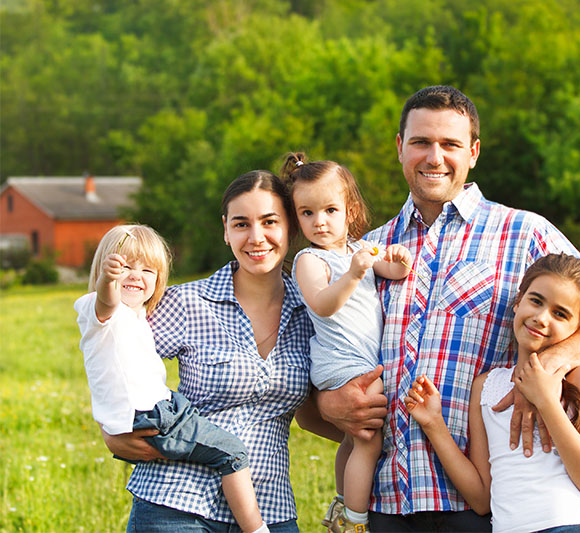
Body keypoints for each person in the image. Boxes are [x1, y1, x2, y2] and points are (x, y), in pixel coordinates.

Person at [316, 85, 580, 531]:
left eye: (450, 144)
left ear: (474, 152)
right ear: (400, 148)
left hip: (482, 501)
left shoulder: (523, 232)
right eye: (421, 142)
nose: (434, 157)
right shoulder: (367, 252)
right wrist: (329, 403)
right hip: (388, 497)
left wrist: (543, 374)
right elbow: (329, 349)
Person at [100, 171, 340, 532]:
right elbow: (115, 357)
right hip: (176, 504)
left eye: (269, 222)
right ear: (226, 230)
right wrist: (111, 428)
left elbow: (312, 412)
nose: (256, 237)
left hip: (268, 509)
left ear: (290, 226)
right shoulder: (186, 302)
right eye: (241, 224)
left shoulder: (312, 313)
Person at [75, 224, 268, 533]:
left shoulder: (138, 316)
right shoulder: (100, 312)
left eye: (147, 270)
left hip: (163, 407)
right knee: (232, 452)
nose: (136, 274)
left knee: (218, 443)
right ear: (104, 270)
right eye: (125, 266)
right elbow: (105, 303)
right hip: (150, 415)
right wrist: (108, 280)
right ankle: (257, 529)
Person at [404, 253, 580, 532]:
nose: (541, 318)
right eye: (536, 301)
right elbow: (481, 499)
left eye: (560, 313)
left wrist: (545, 400)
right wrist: (434, 425)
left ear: (579, 328)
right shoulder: (487, 386)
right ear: (518, 302)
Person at [281, 152, 413, 533]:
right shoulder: (310, 260)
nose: (319, 221)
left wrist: (399, 262)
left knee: (354, 442)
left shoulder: (360, 248)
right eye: (307, 213)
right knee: (370, 440)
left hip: (360, 357)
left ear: (349, 210)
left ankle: (342, 498)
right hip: (341, 361)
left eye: (329, 210)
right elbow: (322, 305)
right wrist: (355, 273)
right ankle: (356, 521)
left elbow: (390, 269)